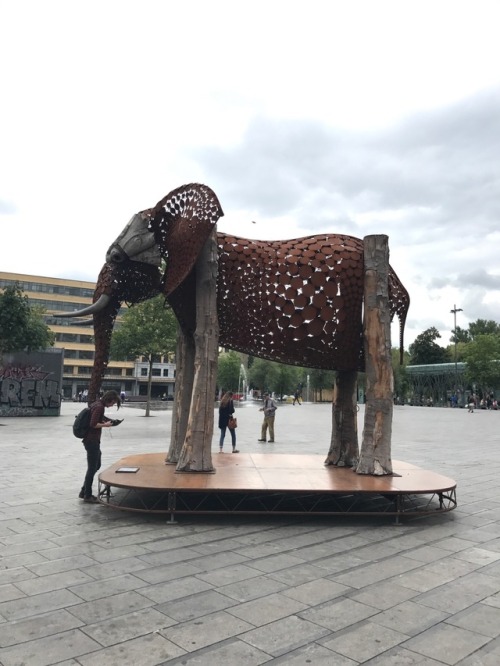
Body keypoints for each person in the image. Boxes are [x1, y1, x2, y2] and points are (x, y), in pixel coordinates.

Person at [79, 390, 121, 503]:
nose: (112, 405)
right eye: (113, 403)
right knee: (92, 468)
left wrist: (107, 421)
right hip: (91, 440)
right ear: (110, 399)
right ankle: (87, 495)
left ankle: (84, 491)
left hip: (92, 440)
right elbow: (93, 424)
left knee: (97, 465)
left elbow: (95, 419)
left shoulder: (97, 404)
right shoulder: (99, 407)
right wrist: (106, 425)